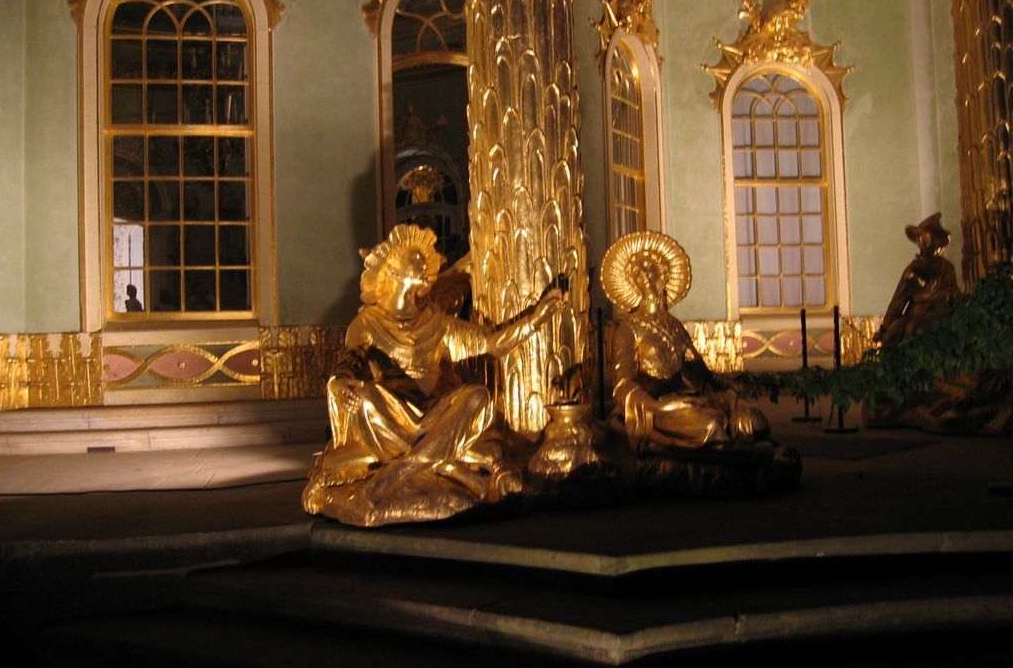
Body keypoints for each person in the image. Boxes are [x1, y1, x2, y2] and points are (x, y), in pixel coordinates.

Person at [303, 224, 562, 526]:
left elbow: (491, 343)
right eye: (413, 256)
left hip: (438, 415)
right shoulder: (366, 323)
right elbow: (351, 360)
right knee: (366, 397)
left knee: (477, 396)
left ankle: (398, 472)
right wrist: (339, 383)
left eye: (423, 258)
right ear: (392, 270)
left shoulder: (437, 322)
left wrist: (535, 320)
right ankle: (444, 465)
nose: (422, 260)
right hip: (393, 416)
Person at [602, 231, 768, 452]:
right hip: (657, 405)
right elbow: (623, 383)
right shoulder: (629, 328)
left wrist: (727, 386)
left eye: (648, 267)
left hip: (690, 397)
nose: (643, 275)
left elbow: (701, 371)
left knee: (753, 419)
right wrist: (658, 405)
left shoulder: (675, 326)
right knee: (712, 425)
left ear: (663, 273)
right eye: (636, 273)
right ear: (632, 283)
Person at [874, 213, 960, 348]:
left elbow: (954, 294)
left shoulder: (946, 267)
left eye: (928, 239)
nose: (925, 243)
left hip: (939, 317)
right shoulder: (913, 268)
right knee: (893, 333)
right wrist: (885, 327)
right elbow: (898, 300)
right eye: (922, 239)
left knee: (913, 329)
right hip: (915, 315)